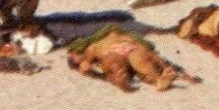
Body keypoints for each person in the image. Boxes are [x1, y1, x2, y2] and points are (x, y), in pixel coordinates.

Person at [67, 26, 199, 92]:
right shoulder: (108, 39)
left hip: (120, 52)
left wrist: (87, 67)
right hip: (133, 48)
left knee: (117, 63)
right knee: (143, 63)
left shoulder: (94, 46)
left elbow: (86, 63)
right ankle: (158, 78)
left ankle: (155, 79)